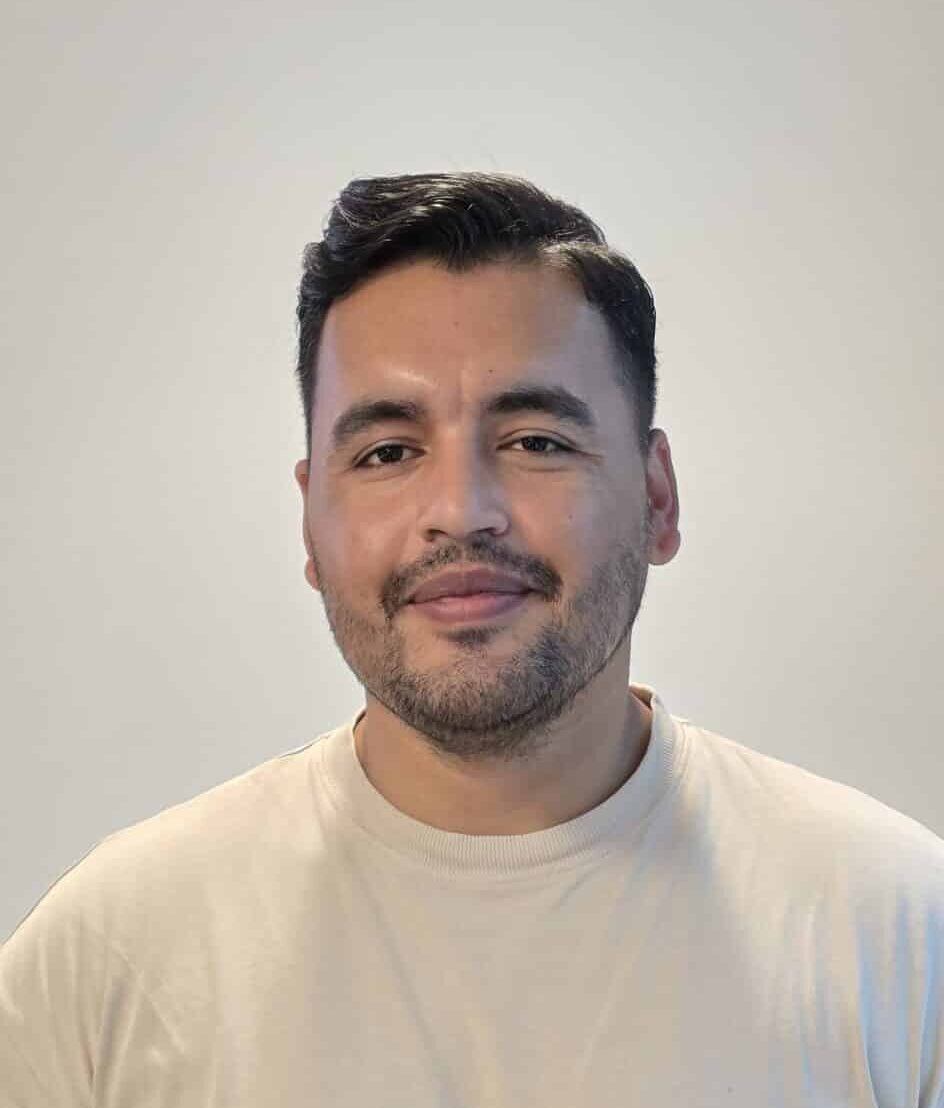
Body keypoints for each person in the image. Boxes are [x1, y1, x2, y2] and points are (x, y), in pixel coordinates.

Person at [1, 172, 942, 1107]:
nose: (459, 510)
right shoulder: (105, 965)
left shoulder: (897, 935)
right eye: (387, 453)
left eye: (536, 441)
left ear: (657, 498)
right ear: (310, 526)